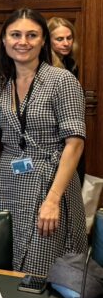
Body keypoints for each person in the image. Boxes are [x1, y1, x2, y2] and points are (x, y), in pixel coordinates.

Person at [0, 8, 87, 277]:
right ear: (4, 40)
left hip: (50, 181)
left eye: (32, 35)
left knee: (42, 269)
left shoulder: (61, 80)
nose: (23, 41)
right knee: (6, 270)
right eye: (16, 35)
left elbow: (75, 144)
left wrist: (53, 200)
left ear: (43, 40)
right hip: (8, 183)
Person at [47, 16, 84, 184]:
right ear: (48, 40)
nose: (66, 43)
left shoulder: (70, 63)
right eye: (59, 39)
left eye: (69, 38)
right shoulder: (46, 64)